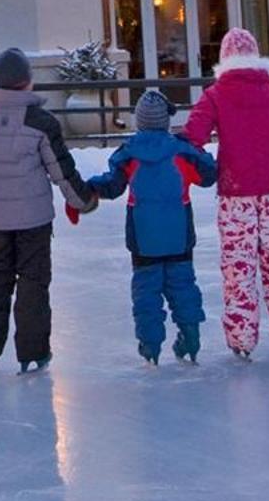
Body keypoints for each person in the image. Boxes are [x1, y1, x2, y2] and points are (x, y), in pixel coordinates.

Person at [0, 48, 96, 373]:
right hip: (34, 221)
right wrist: (84, 201)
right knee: (33, 282)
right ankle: (32, 352)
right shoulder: (41, 123)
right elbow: (62, 172)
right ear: (27, 83)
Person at [183, 28, 269, 360]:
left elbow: (191, 138)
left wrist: (204, 169)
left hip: (235, 193)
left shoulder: (216, 94)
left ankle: (241, 338)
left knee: (239, 267)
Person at [89, 89, 218, 364]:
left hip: (143, 236)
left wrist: (88, 188)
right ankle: (190, 334)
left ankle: (150, 345)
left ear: (139, 121)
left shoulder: (128, 153)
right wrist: (194, 146)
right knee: (183, 286)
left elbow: (112, 186)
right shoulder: (181, 151)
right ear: (165, 122)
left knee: (146, 291)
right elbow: (209, 174)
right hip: (179, 234)